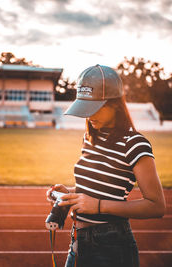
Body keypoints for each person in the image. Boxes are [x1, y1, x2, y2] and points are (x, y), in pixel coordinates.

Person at [46, 64, 166, 267]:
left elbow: (157, 206)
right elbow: (100, 188)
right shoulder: (90, 137)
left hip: (111, 246)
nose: (89, 116)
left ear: (116, 105)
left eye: (95, 108)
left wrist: (99, 206)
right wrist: (70, 195)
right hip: (78, 242)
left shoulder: (135, 144)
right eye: (85, 108)